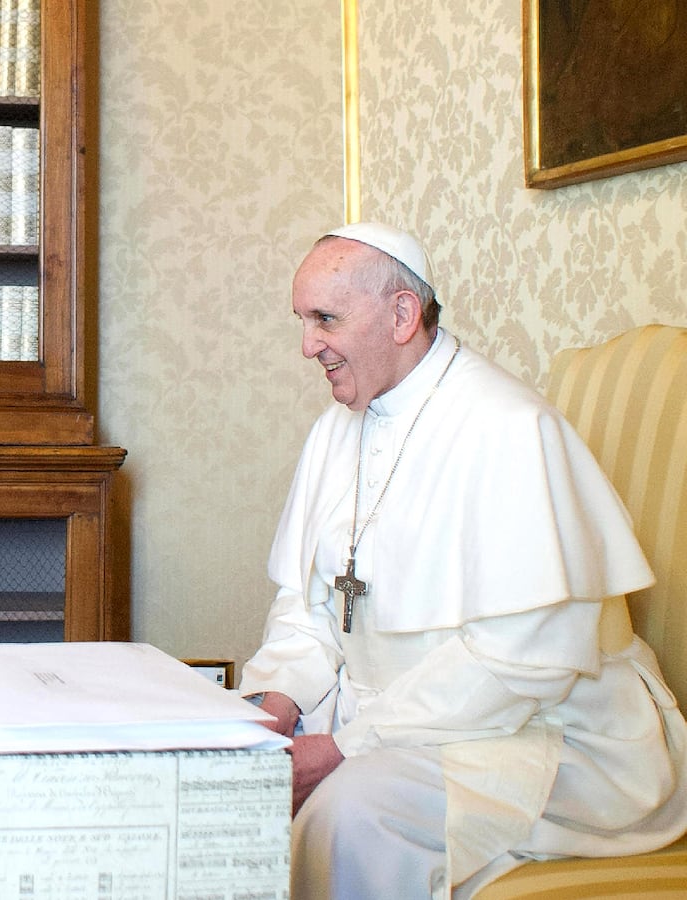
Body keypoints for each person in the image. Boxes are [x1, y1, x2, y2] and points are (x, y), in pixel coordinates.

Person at [237, 222, 687, 898]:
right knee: (232, 780)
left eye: (325, 319)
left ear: (400, 315)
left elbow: (519, 666)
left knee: (352, 811)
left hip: (543, 732)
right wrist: (272, 711)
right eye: (302, 321)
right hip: (399, 716)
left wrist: (344, 747)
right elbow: (308, 604)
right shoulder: (336, 431)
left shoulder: (510, 430)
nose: (308, 347)